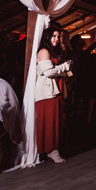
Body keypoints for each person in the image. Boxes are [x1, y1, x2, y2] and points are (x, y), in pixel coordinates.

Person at [35, 27, 71, 162]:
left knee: (56, 120)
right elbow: (49, 72)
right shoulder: (43, 51)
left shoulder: (54, 52)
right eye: (53, 36)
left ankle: (53, 149)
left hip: (56, 89)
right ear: (47, 37)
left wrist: (64, 71)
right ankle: (50, 150)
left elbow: (57, 71)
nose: (56, 39)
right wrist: (65, 67)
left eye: (57, 36)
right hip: (46, 92)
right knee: (49, 121)